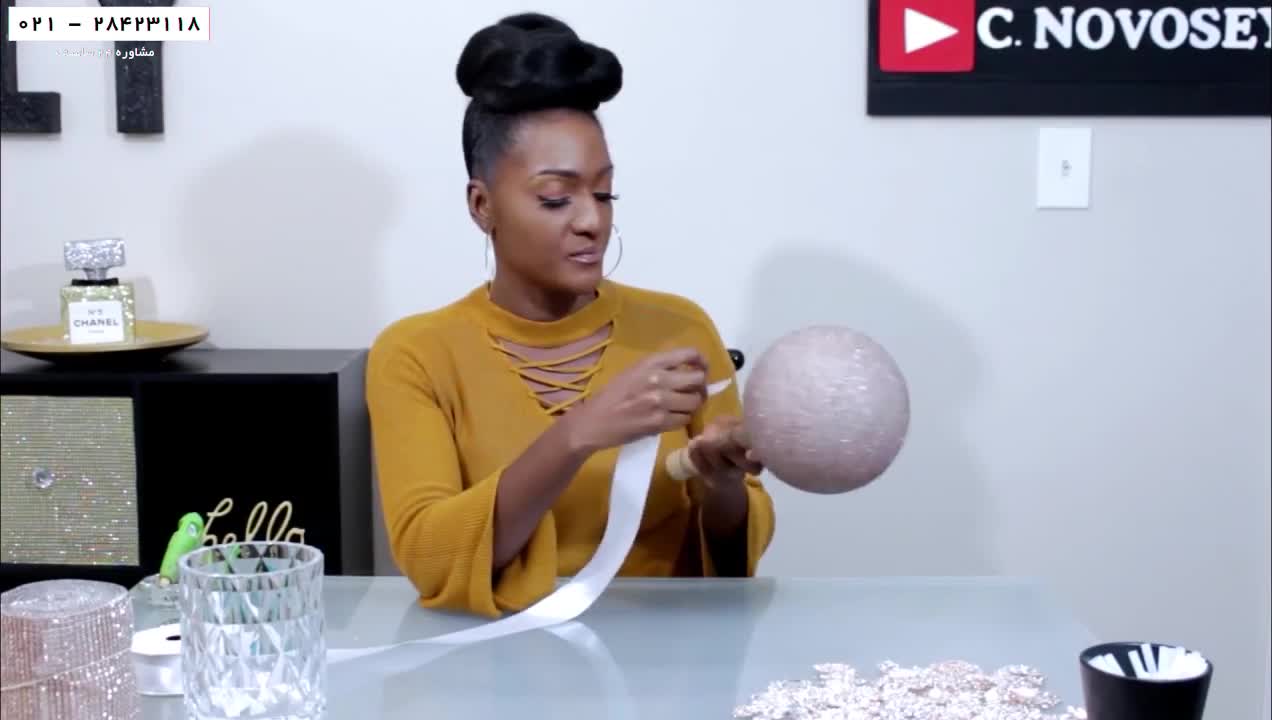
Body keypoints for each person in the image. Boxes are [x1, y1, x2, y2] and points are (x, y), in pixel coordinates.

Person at [366, 12, 776, 618]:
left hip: (669, 659)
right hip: (490, 661)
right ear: (482, 205)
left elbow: (733, 560)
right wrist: (579, 433)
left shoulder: (679, 329)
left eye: (604, 193)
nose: (592, 220)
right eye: (556, 198)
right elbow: (429, 558)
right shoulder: (416, 354)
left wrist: (721, 486)